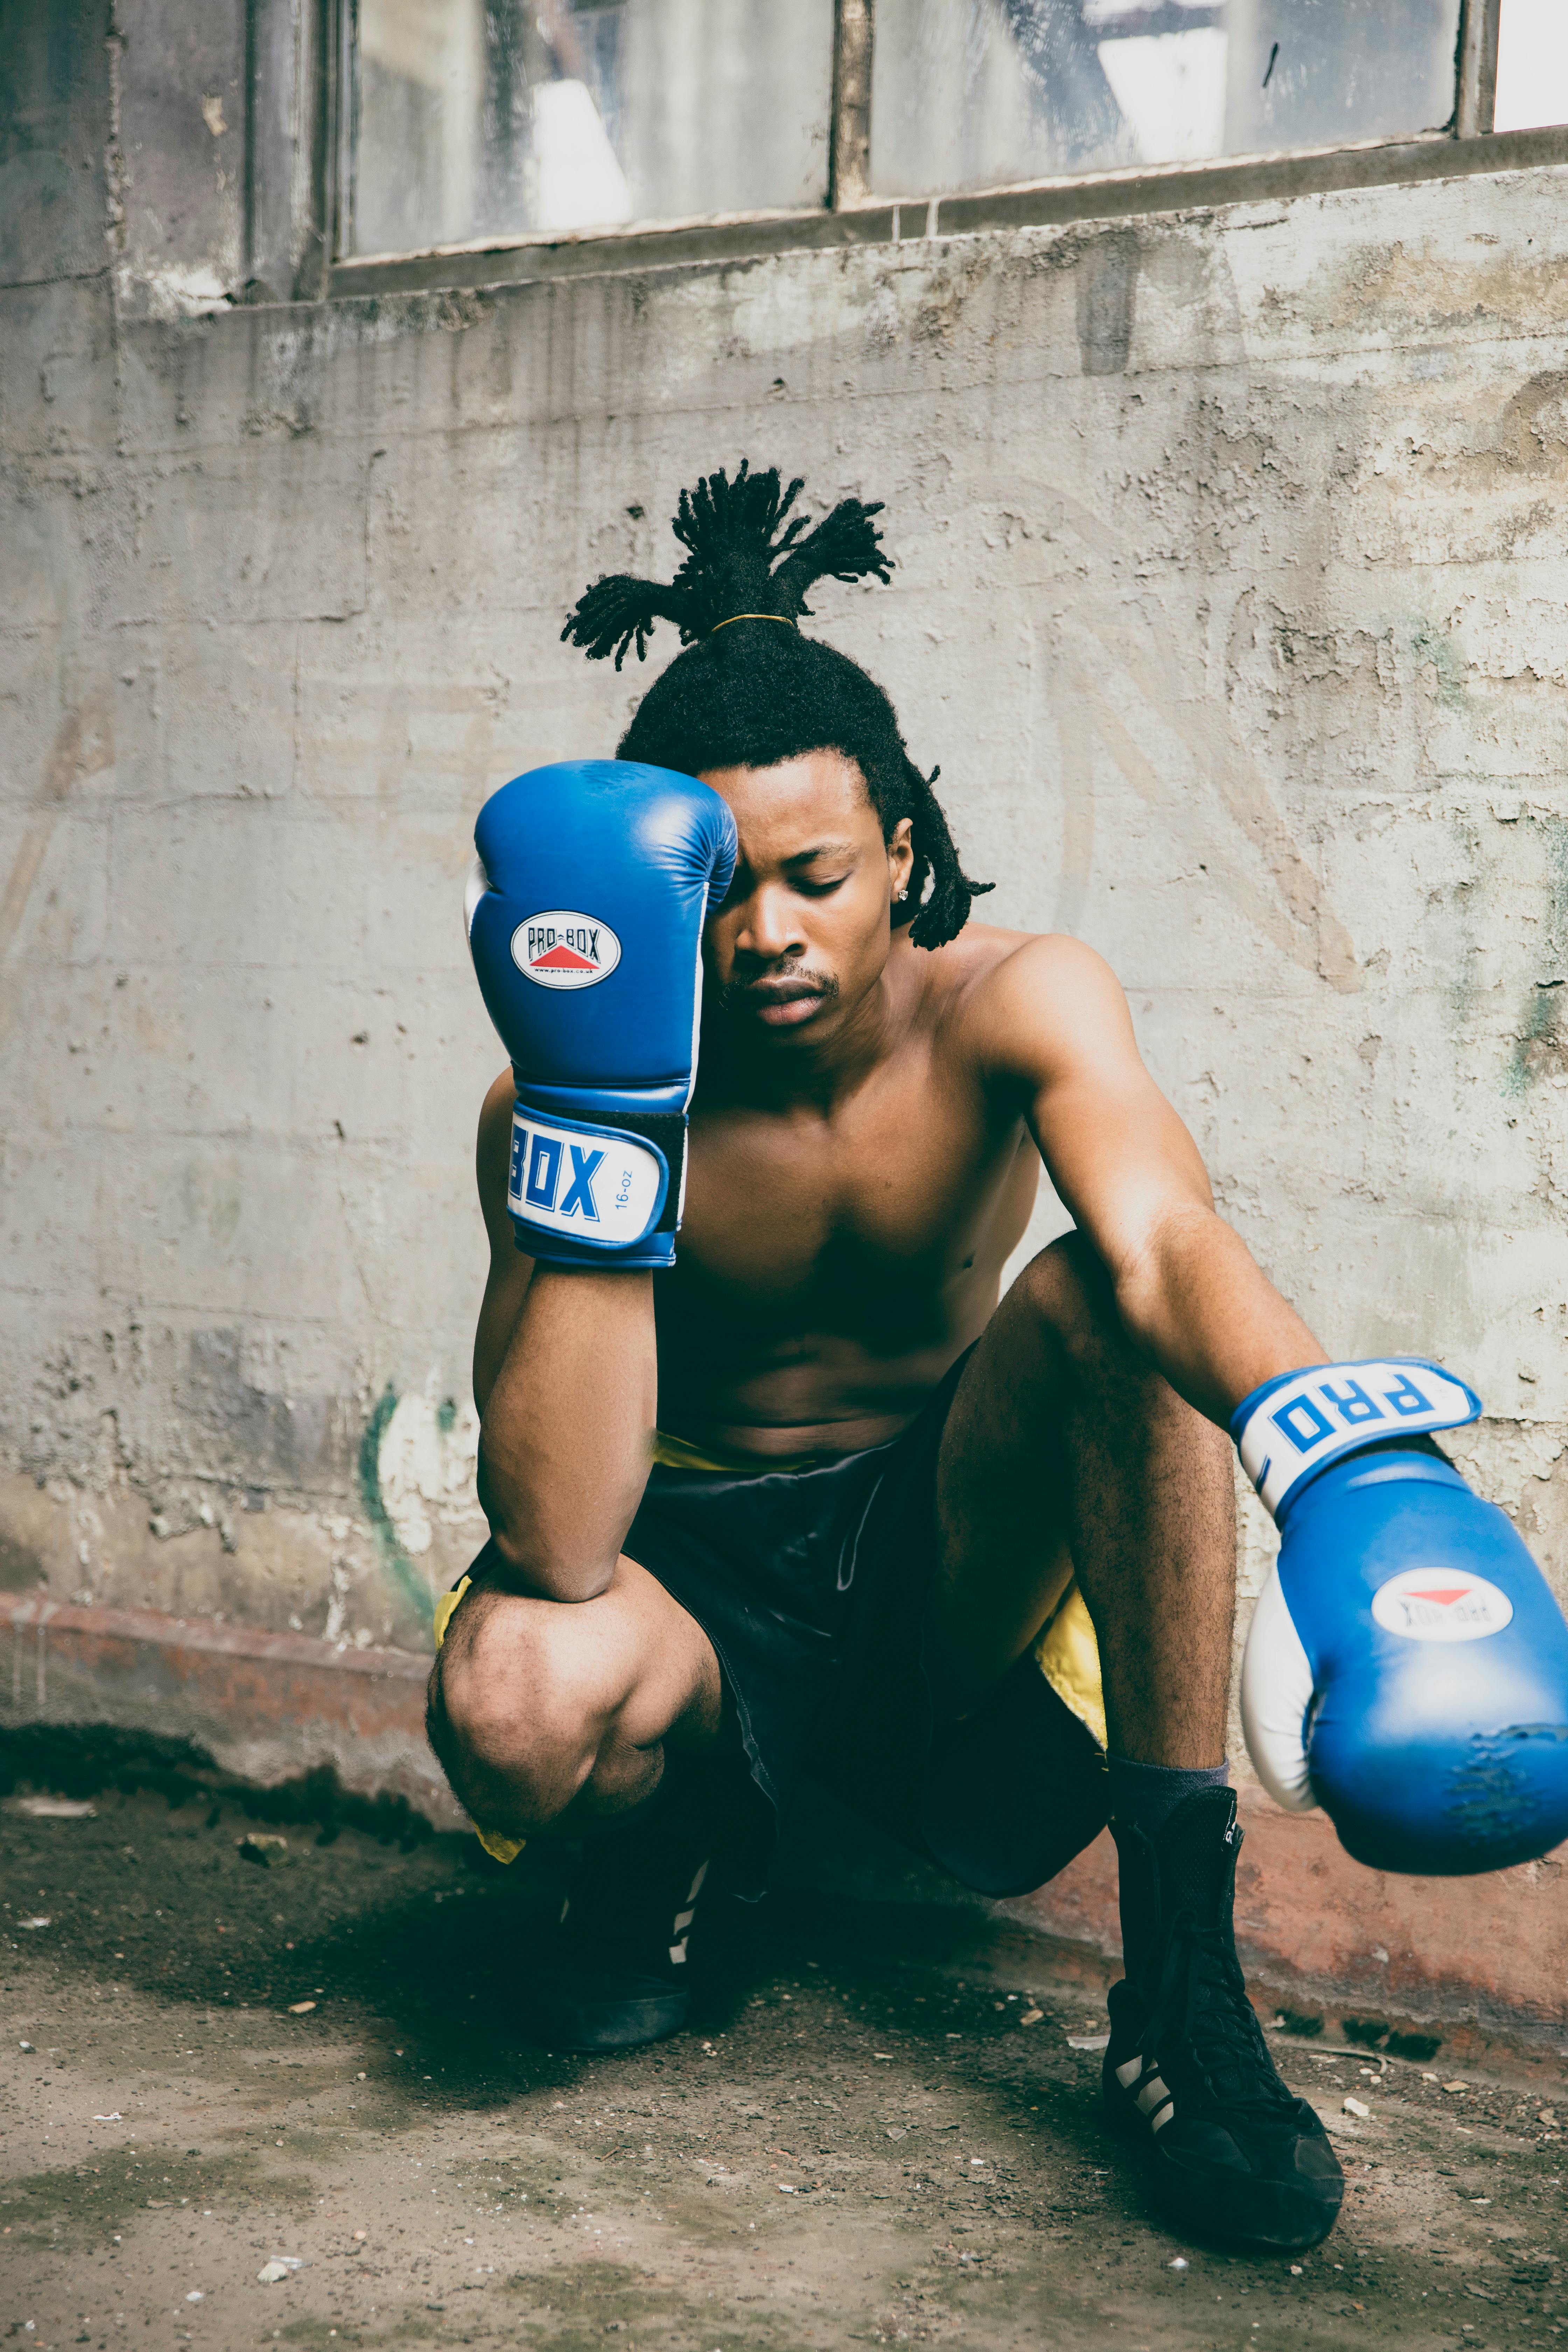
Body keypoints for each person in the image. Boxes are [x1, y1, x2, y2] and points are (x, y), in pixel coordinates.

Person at [428, 462, 1356, 2251]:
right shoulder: (553, 1102)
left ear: (904, 855)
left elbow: (1161, 1244)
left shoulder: (1020, 1001)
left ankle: (1182, 1993)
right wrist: (604, 1109)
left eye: (816, 875)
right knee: (512, 1700)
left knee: (1099, 1306)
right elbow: (552, 1541)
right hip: (690, 1567)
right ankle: (669, 1853)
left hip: (941, 1562)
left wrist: (1346, 1465)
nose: (764, 929)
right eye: (717, 885)